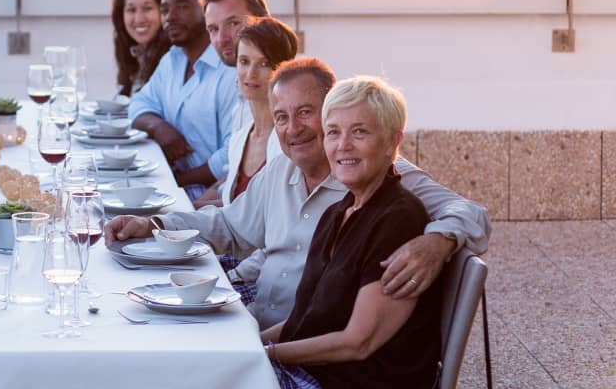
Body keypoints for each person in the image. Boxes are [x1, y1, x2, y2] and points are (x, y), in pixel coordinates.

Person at [107, 57, 490, 329]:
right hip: (258, 321)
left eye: (306, 112)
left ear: (331, 113)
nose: (293, 129)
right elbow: (229, 225)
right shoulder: (281, 170)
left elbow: (472, 212)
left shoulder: (379, 177)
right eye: (282, 117)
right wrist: (154, 224)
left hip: (307, 344)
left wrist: (437, 241)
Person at [262, 76, 440, 389]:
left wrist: (266, 355)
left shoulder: (398, 219)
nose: (343, 145)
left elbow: (357, 342)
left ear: (392, 142)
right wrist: (249, 344)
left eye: (360, 132)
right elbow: (305, 319)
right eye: (333, 132)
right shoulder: (336, 213)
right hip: (316, 375)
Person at [129, 0, 240, 200]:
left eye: (183, 7)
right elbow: (139, 104)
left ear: (208, 12)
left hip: (210, 197)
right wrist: (159, 127)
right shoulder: (173, 59)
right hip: (169, 185)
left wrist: (180, 180)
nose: (170, 17)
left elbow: (233, 153)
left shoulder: (230, 70)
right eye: (165, 9)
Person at [173, 0, 273, 192]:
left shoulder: (283, 95)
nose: (222, 38)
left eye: (234, 23)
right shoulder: (242, 93)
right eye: (213, 29)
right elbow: (232, 180)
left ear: (263, 20)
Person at [192, 16, 297, 209]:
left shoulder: (291, 139)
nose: (250, 74)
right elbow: (231, 199)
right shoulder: (241, 131)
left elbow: (255, 214)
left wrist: (191, 213)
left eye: (264, 64)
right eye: (244, 61)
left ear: (283, 68)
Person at [111, 0, 170, 97]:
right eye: (131, 10)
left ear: (164, 12)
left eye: (147, 8)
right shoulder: (135, 53)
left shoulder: (174, 58)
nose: (139, 19)